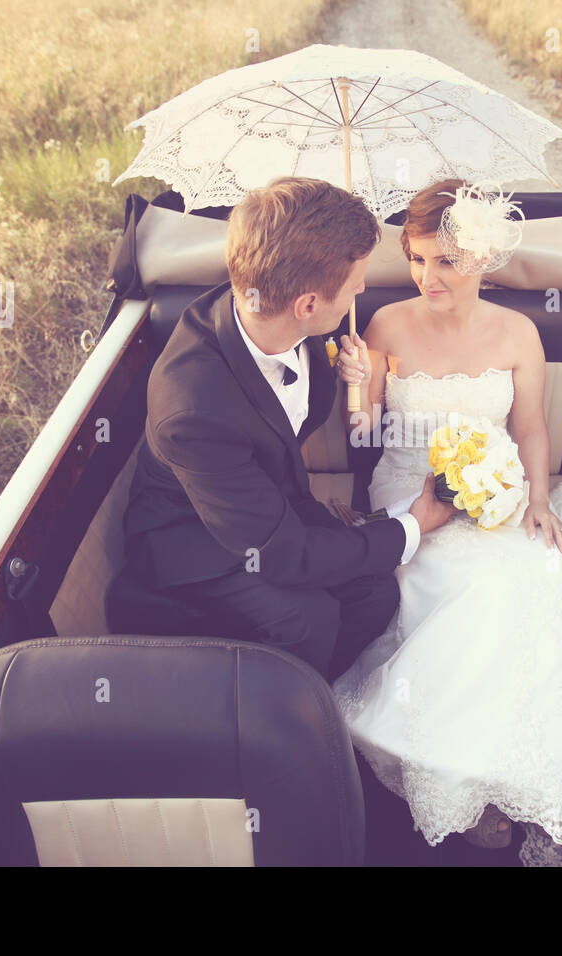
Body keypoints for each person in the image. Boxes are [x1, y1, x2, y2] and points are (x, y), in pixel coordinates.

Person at [328, 179, 562, 865]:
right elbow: (364, 431)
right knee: (465, 588)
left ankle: (524, 776)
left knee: (546, 580)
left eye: (445, 261)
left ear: (481, 257)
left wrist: (536, 500)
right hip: (410, 490)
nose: (427, 276)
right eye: (416, 259)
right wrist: (357, 381)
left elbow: (529, 429)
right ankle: (467, 779)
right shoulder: (383, 326)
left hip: (497, 491)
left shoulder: (518, 333)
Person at [114, 176, 455, 681]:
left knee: (376, 592)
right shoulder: (192, 410)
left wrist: (349, 377)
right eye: (355, 282)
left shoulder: (274, 306)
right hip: (195, 538)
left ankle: (319, 692)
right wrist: (413, 526)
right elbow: (284, 556)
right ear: (308, 305)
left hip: (273, 503)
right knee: (307, 622)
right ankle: (273, 713)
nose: (362, 288)